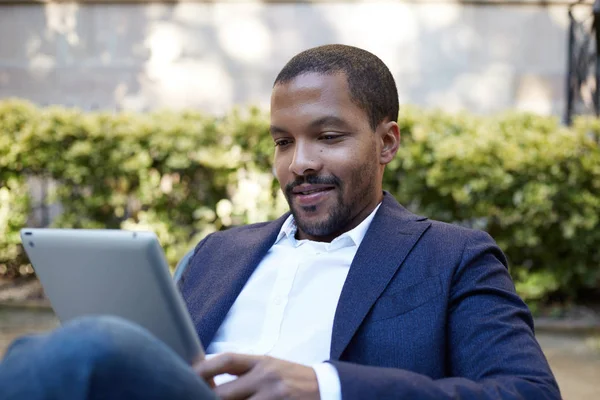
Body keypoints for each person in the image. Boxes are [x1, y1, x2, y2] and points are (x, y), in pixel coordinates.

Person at [0, 45, 560, 400]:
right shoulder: (218, 251)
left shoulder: (452, 256)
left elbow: (527, 392)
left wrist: (323, 385)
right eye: (282, 142)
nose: (299, 163)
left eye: (328, 137)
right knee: (34, 352)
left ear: (386, 142)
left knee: (85, 349)